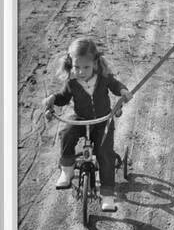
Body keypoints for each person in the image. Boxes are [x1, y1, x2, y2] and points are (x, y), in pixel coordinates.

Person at [43, 38, 132, 212]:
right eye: (77, 67)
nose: (81, 72)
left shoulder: (104, 78)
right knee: (66, 133)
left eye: (86, 67)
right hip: (81, 118)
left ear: (95, 64)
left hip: (102, 121)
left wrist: (123, 91)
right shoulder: (72, 82)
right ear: (71, 64)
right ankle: (67, 169)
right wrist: (53, 99)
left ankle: (107, 195)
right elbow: (63, 98)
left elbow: (116, 85)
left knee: (105, 154)